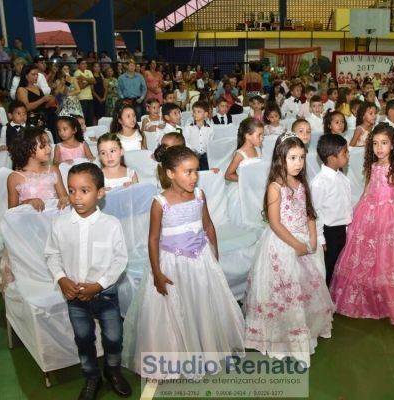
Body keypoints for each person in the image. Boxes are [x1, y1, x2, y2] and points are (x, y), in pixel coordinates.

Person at [122, 145, 245, 379]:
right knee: (176, 309)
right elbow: (153, 239)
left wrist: (214, 256)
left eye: (196, 171)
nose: (194, 177)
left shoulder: (199, 195)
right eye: (187, 172)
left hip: (201, 259)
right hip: (172, 264)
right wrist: (157, 273)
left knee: (201, 304)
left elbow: (208, 226)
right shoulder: (160, 202)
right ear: (170, 173)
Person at [244, 132, 333, 366]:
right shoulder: (276, 186)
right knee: (285, 292)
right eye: (292, 158)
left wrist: (312, 238)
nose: (298, 163)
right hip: (283, 244)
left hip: (304, 241)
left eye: (301, 157)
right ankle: (283, 336)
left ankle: (304, 329)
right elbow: (275, 223)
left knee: (305, 289)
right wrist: (296, 245)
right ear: (280, 159)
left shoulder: (301, 183)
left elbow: (309, 212)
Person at [330, 123, 394, 326]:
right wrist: (359, 207)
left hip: (388, 214)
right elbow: (368, 188)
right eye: (375, 143)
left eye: (384, 143)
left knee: (387, 256)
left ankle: (390, 298)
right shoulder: (374, 166)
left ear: (392, 145)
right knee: (366, 254)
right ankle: (367, 294)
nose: (379, 148)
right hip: (369, 212)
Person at [45, 163, 131, 399]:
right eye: (71, 190)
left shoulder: (111, 225)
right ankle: (92, 377)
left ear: (100, 193)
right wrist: (61, 279)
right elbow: (52, 255)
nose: (76, 197)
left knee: (114, 337)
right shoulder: (60, 224)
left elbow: (120, 260)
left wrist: (99, 284)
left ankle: (112, 370)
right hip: (75, 297)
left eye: (84, 190)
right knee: (83, 339)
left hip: (105, 295)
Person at [311, 134, 351, 286]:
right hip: (329, 232)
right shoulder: (319, 183)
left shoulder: (342, 177)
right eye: (344, 153)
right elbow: (315, 212)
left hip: (343, 228)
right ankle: (325, 296)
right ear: (332, 158)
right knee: (328, 266)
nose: (348, 156)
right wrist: (321, 238)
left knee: (340, 265)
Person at [6, 127, 69, 211]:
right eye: (43, 146)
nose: (49, 148)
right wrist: (28, 202)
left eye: (49, 144)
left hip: (54, 217)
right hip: (30, 221)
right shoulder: (14, 178)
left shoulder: (53, 170)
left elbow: (63, 197)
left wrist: (65, 199)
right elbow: (12, 211)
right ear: (28, 149)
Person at [182, 100, 213, 170]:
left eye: (198, 112)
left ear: (205, 114)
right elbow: (184, 141)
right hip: (191, 155)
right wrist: (194, 151)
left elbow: (210, 143)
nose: (195, 114)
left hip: (205, 156)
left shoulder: (210, 128)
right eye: (194, 111)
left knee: (204, 173)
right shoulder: (188, 127)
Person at [74, 59, 96, 127]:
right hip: (81, 98)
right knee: (83, 118)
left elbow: (94, 81)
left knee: (90, 118)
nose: (85, 65)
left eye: (85, 63)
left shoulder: (89, 71)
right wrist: (89, 81)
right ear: (78, 65)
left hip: (90, 97)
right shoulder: (77, 73)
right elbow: (80, 86)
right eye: (83, 63)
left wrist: (84, 78)